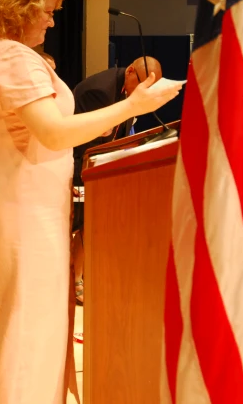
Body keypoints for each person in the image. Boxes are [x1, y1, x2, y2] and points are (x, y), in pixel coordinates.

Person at [0, 0, 182, 404]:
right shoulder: (12, 57)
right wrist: (130, 106)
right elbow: (52, 133)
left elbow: (49, 125)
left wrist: (97, 124)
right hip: (22, 209)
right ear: (18, 7)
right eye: (45, 10)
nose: (51, 19)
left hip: (11, 200)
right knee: (28, 332)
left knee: (12, 325)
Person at [70, 56, 163, 305]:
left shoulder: (126, 88)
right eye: (142, 84)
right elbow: (87, 142)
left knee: (92, 223)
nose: (144, 92)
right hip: (79, 164)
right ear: (130, 71)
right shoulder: (99, 92)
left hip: (101, 161)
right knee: (82, 223)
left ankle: (83, 275)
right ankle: (74, 278)